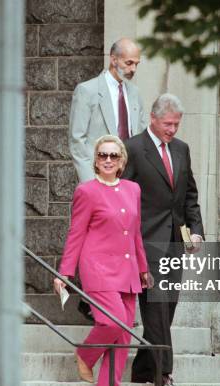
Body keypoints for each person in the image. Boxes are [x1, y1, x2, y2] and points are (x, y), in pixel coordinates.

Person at [54, 135, 150, 386]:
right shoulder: (86, 191)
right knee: (112, 321)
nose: (108, 160)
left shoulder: (133, 189)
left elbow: (135, 233)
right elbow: (76, 233)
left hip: (128, 269)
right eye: (102, 156)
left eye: (113, 156)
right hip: (97, 268)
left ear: (121, 161)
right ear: (95, 161)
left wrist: (143, 268)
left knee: (123, 335)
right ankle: (85, 354)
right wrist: (65, 273)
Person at [122, 94, 205, 386]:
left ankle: (143, 367)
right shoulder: (132, 148)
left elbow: (189, 196)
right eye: (168, 123)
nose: (172, 129)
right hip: (145, 245)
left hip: (175, 243)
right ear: (153, 119)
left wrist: (195, 232)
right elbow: (123, 198)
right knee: (156, 307)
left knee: (167, 308)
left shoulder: (182, 150)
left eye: (176, 124)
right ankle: (164, 373)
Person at [69, 38, 147, 320]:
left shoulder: (135, 94)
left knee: (122, 239)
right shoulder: (88, 91)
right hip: (98, 182)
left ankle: (112, 300)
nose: (133, 68)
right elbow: (77, 141)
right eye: (129, 62)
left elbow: (137, 140)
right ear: (113, 59)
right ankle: (92, 298)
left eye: (137, 63)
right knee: (96, 240)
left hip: (125, 184)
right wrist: (94, 183)